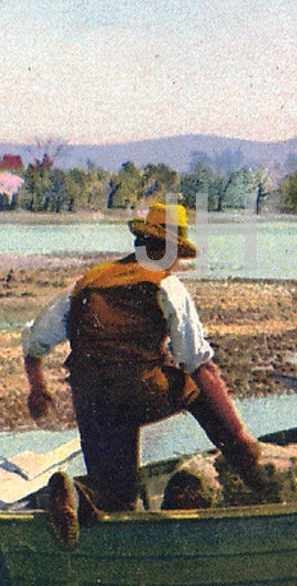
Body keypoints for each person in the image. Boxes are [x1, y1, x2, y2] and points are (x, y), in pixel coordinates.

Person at [23, 201, 266, 545]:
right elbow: (199, 364)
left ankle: (75, 495)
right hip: (139, 391)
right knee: (197, 389)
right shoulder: (166, 287)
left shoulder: (87, 283)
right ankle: (250, 468)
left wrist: (38, 389)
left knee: (117, 495)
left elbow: (34, 343)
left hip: (91, 400)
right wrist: (241, 435)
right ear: (168, 252)